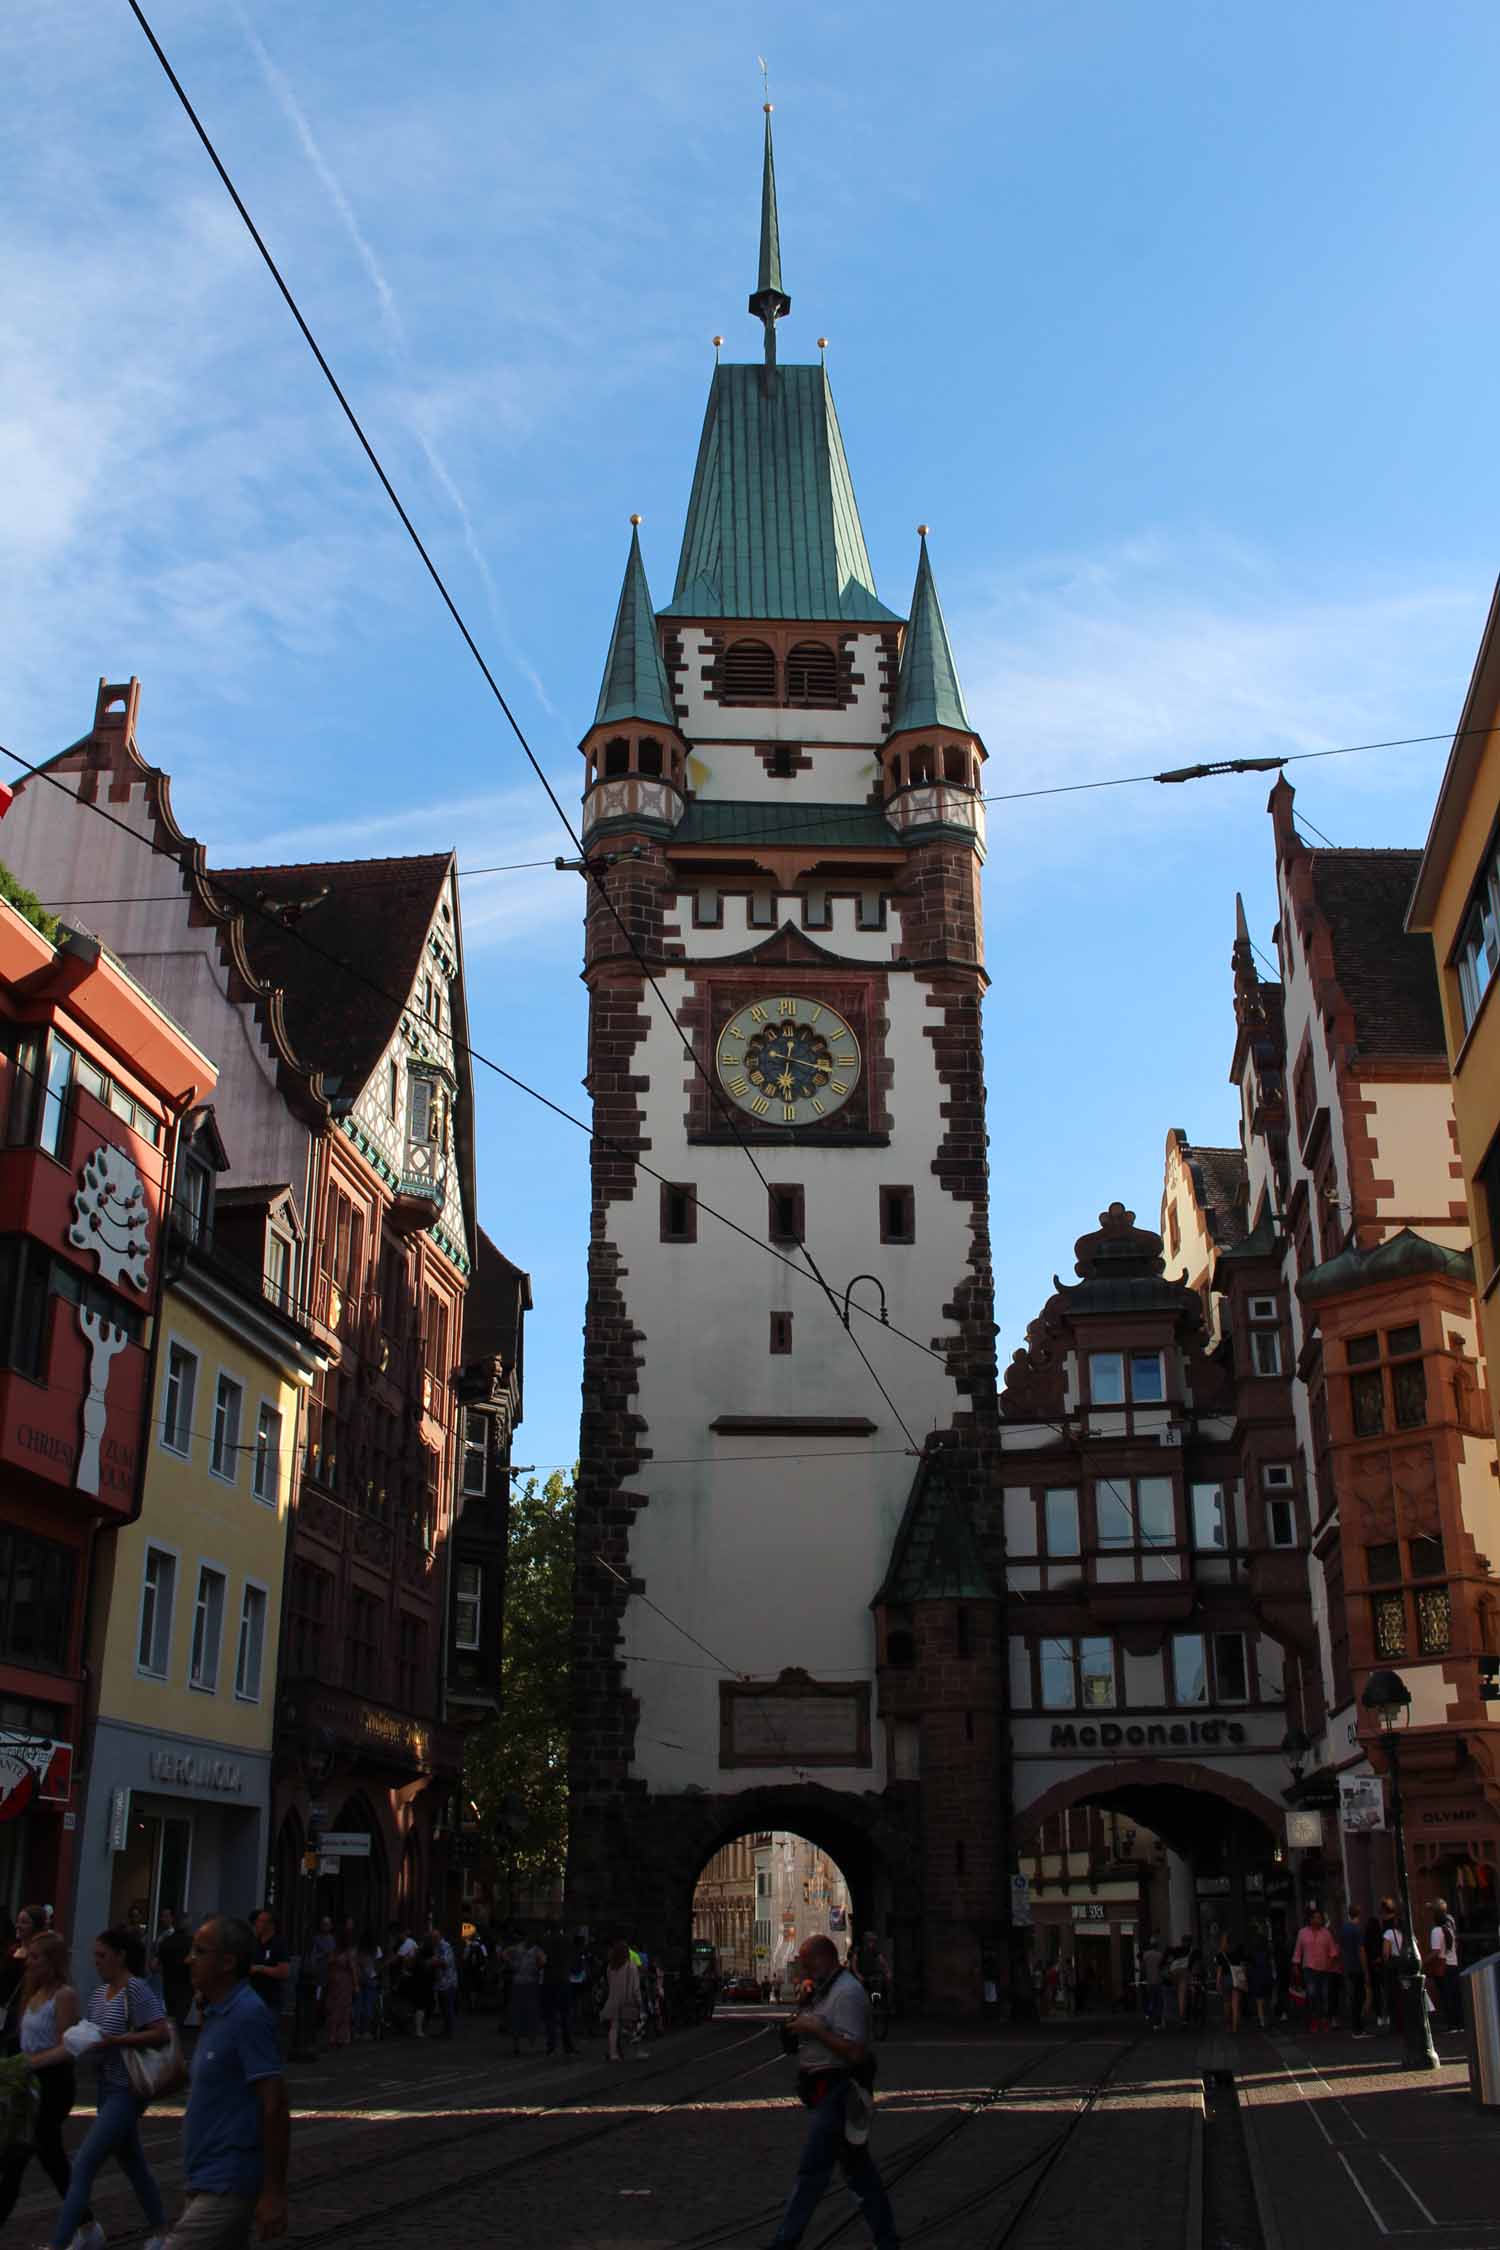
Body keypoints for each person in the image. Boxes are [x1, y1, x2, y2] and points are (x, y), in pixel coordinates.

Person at [159, 1914, 289, 2248]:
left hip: (228, 2181)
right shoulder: (216, 2012)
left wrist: (273, 2190)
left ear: (227, 1962)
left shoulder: (248, 2015)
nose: (189, 1960)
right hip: (203, 2177)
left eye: (199, 1952)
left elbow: (274, 2103)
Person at [47, 1923, 172, 2250]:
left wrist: (118, 2040)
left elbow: (161, 2032)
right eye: (94, 1956)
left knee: (84, 2164)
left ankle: (62, 2242)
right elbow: (94, 2033)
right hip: (105, 2086)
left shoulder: (136, 1990)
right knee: (133, 2162)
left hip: (127, 2090)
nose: (96, 1962)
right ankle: (161, 2232)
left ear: (121, 1956)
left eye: (102, 1955)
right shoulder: (99, 1994)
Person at [770, 1934, 897, 2250]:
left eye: (806, 1961)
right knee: (859, 2173)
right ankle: (887, 2240)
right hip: (824, 2091)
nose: (802, 1967)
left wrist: (816, 2029)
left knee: (812, 2172)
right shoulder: (823, 1991)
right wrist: (801, 2014)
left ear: (822, 1959)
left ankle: (785, 2242)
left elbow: (854, 2052)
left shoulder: (847, 1994)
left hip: (840, 2091)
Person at [0, 1929, 99, 2241]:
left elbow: (67, 2045)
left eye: (35, 1957)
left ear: (52, 1961)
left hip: (51, 2086)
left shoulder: (64, 1995)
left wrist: (33, 2062)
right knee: (49, 2159)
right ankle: (86, 2223)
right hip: (27, 2086)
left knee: (19, 2159)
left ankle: (86, 2225)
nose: (28, 1963)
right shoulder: (32, 1994)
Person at [247, 1912, 290, 2054]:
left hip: (271, 1997)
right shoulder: (254, 1943)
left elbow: (284, 1972)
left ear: (269, 1925)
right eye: (257, 1921)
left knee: (270, 2031)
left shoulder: (279, 1943)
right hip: (253, 1995)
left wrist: (260, 1968)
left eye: (260, 1921)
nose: (256, 1924)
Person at [1292, 1909, 1338, 2032]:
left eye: (1320, 1917)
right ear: (1310, 1919)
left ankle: (1324, 2019)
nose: (1319, 1920)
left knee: (1324, 1995)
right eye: (1316, 1917)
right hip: (1309, 1968)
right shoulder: (1302, 1933)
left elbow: (1333, 1952)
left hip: (1324, 1969)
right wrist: (1295, 1965)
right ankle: (1314, 2019)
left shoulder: (1326, 1933)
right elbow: (1298, 1950)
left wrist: (1330, 1964)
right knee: (1312, 1994)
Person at [539, 1925, 578, 2057]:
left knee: (550, 2016)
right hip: (563, 1980)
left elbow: (542, 1961)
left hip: (549, 1980)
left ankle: (551, 2047)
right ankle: (568, 2047)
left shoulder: (545, 1941)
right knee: (566, 2015)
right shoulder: (567, 1941)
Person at [1427, 1896, 1463, 2033]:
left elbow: (1436, 1952)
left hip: (1443, 1966)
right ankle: (1459, 2023)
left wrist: (1423, 1962)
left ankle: (1452, 2024)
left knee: (1446, 1996)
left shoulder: (1436, 1931)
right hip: (1454, 1963)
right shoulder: (1451, 1924)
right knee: (1455, 1995)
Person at [601, 1939, 640, 2062]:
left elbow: (609, 1983)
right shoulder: (631, 1965)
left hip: (613, 1999)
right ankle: (631, 2052)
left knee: (614, 2027)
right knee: (631, 2027)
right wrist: (638, 1999)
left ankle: (613, 2053)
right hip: (627, 1999)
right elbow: (635, 1986)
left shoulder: (610, 1967)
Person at [154, 1908, 194, 2027]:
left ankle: (172, 2040)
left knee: (172, 2016)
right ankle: (174, 2041)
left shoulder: (165, 1941)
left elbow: (154, 1965)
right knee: (180, 2018)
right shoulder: (192, 1942)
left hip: (169, 1985)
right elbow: (194, 1961)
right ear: (186, 1924)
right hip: (185, 1985)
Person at [505, 1932, 545, 2054]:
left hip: (530, 1984)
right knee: (518, 2013)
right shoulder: (518, 1948)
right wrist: (513, 1965)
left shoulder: (537, 1950)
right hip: (520, 1984)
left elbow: (543, 1962)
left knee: (530, 2013)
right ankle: (517, 2044)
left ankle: (530, 2041)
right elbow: (505, 1953)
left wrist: (537, 1968)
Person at [322, 1922, 357, 2050]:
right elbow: (352, 1969)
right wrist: (356, 1985)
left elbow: (329, 1964)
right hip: (344, 1982)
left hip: (334, 1981)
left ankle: (332, 2036)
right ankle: (341, 2037)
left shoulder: (334, 1952)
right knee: (343, 2009)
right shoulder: (348, 1953)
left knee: (333, 2009)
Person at [1338, 1904, 1370, 2036]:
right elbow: (1361, 1950)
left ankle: (1356, 2026)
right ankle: (1358, 2027)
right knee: (1360, 1996)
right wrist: (1366, 1969)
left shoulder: (1344, 1929)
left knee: (1354, 1996)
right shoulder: (1357, 1930)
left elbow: (1342, 1948)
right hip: (1357, 1966)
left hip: (1348, 1965)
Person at [428, 1919, 459, 2040]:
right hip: (442, 1982)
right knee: (444, 2008)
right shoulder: (437, 1947)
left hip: (448, 1982)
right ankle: (446, 2030)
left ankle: (449, 2032)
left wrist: (433, 1962)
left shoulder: (445, 1946)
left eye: (433, 1938)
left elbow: (446, 1962)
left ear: (438, 1937)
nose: (432, 1940)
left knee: (448, 2008)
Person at [1245, 1926, 1275, 2031]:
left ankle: (1262, 2021)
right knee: (1268, 1999)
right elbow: (1271, 1964)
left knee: (1259, 2001)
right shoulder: (1267, 1952)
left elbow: (1249, 1966)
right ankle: (1269, 2019)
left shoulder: (1252, 1953)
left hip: (1257, 1978)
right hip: (1267, 1977)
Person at [1140, 1937, 1164, 2028]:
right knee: (1158, 2002)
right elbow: (1162, 1968)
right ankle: (1157, 2021)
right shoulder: (1160, 1955)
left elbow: (1143, 1968)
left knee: (1151, 2000)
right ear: (1156, 1946)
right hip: (1158, 1981)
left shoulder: (1145, 1955)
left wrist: (1144, 1978)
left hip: (1149, 1982)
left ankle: (1149, 2015)